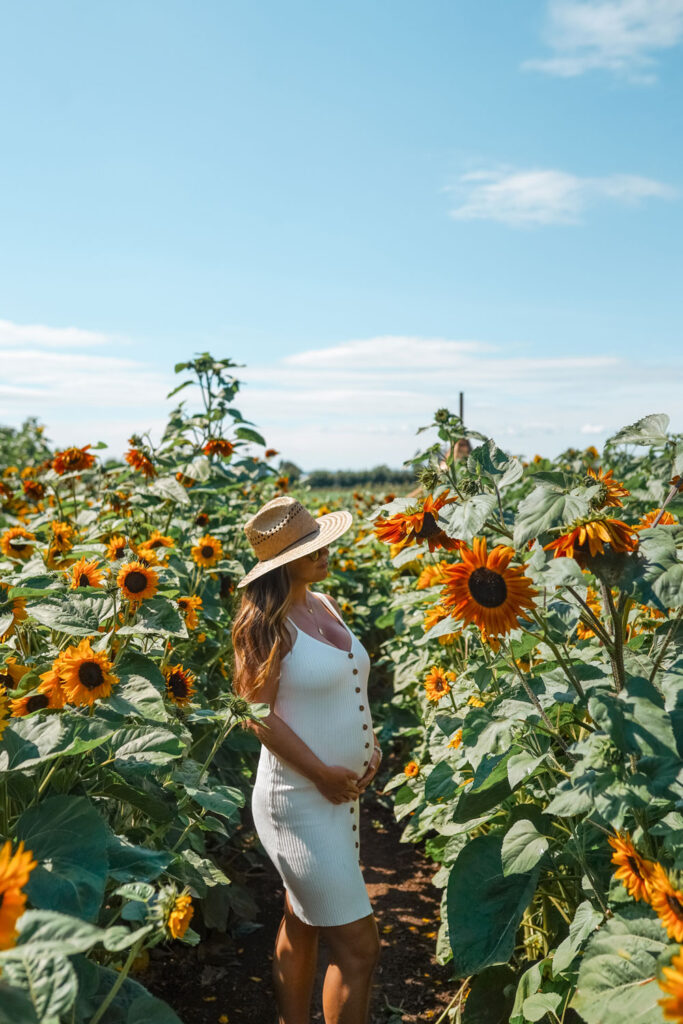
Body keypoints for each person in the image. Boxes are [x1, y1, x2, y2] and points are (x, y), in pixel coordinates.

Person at [231, 495, 382, 1024]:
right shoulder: (267, 624)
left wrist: (371, 746)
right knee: (360, 948)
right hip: (296, 800)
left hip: (340, 799)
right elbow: (256, 716)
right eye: (310, 547)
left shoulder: (324, 605)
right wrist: (321, 772)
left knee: (303, 918)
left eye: (320, 539)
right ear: (279, 563)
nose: (325, 551)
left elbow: (348, 687)